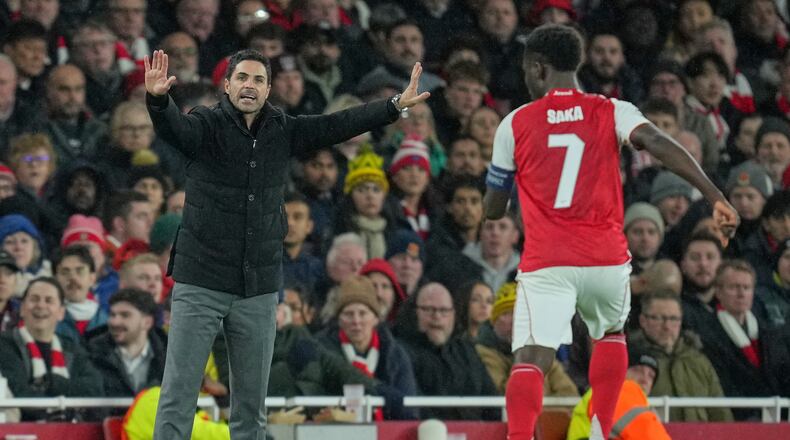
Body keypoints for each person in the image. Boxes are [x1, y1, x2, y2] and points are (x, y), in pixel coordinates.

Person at [143, 48, 429, 440]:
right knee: (178, 397)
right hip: (201, 281)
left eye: (258, 79)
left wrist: (394, 106)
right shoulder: (204, 125)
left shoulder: (283, 129)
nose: (250, 85)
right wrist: (158, 100)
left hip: (257, 288)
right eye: (242, 77)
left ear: (268, 89)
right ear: (226, 86)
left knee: (251, 408)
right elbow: (175, 129)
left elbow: (338, 124)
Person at [483, 25, 738, 440]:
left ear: (537, 67)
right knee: (611, 335)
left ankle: (518, 438)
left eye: (528, 71)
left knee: (531, 357)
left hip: (547, 260)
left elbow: (494, 209)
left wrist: (503, 189)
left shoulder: (514, 123)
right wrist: (714, 195)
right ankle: (602, 430)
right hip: (606, 257)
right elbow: (656, 141)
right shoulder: (611, 109)